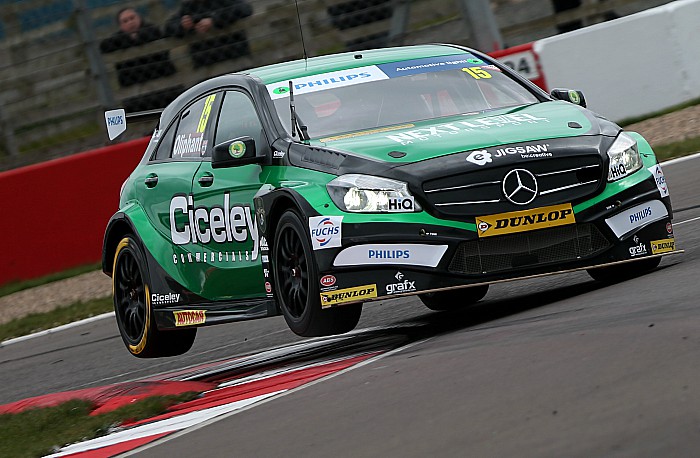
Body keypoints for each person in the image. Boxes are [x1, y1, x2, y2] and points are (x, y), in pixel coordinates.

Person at [165, 0, 253, 67]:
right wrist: (182, 25)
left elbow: (245, 9)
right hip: (205, 63)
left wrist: (214, 20)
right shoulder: (189, 6)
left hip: (234, 55)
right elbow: (169, 27)